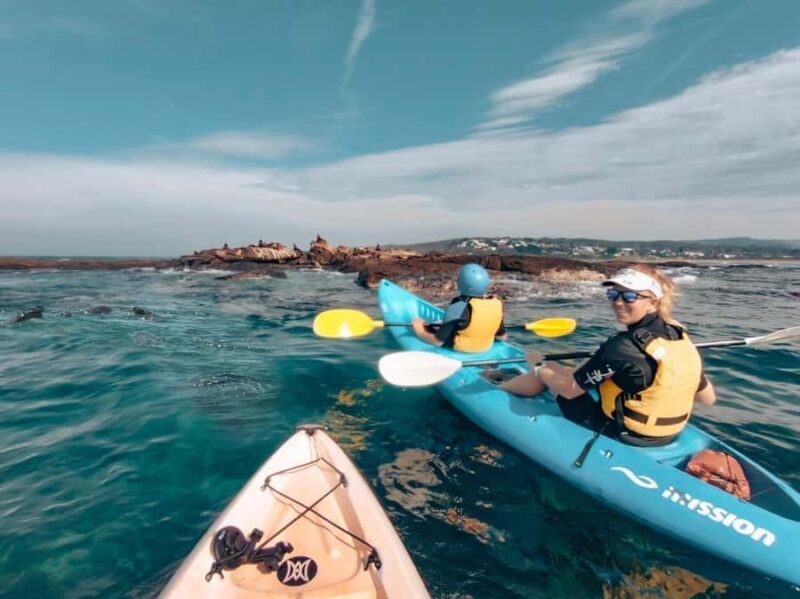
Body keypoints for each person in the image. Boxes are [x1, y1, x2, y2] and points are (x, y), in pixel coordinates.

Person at [501, 264, 716, 446]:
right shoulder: (678, 335)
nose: (618, 302)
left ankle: (498, 391)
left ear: (653, 301)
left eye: (630, 296)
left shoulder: (622, 347)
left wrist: (539, 366)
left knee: (548, 375)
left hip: (623, 432)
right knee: (563, 371)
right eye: (613, 294)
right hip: (669, 434)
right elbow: (708, 398)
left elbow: (568, 390)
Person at [411, 263, 507, 353]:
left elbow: (437, 341)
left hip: (460, 351)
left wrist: (419, 329)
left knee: (429, 328)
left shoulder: (459, 306)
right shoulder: (496, 304)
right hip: (486, 348)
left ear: (461, 283)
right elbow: (502, 337)